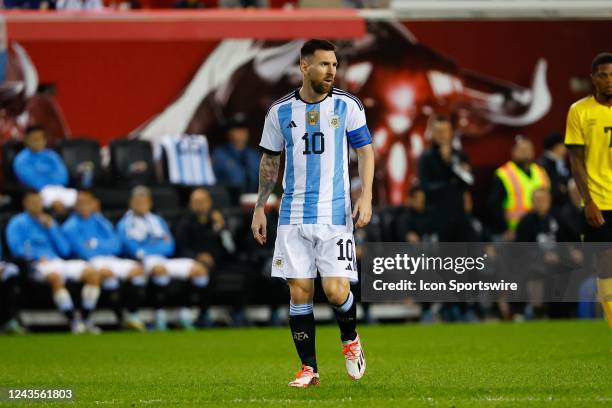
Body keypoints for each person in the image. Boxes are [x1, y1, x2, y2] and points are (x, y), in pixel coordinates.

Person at [251, 39, 374, 387]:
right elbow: (270, 160)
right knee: (299, 292)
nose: (331, 71)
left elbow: (365, 151)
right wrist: (260, 208)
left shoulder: (348, 106)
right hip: (292, 216)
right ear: (304, 67)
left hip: (334, 215)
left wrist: (366, 196)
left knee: (336, 291)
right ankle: (309, 369)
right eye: (324, 64)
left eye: (334, 65)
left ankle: (350, 341)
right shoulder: (279, 111)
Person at [6, 190, 101, 334]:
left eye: (39, 202)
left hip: (58, 261)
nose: (37, 205)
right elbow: (16, 249)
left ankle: (86, 318)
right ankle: (73, 320)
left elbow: (64, 250)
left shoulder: (49, 221)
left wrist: (51, 228)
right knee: (55, 277)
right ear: (25, 203)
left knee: (93, 273)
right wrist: (35, 256)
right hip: (36, 264)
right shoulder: (16, 223)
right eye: (33, 202)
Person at [116, 186, 208, 331]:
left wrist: (149, 248)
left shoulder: (157, 220)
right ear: (131, 203)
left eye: (144, 201)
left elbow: (169, 245)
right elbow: (131, 248)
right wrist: (152, 249)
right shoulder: (125, 223)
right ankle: (159, 316)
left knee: (199, 270)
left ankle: (185, 314)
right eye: (137, 202)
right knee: (160, 270)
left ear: (150, 203)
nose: (141, 205)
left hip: (163, 258)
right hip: (142, 261)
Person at [565, 52, 612, 328]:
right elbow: (576, 162)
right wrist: (589, 202)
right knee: (605, 263)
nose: (609, 80)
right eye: (603, 75)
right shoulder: (579, 111)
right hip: (600, 201)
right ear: (593, 79)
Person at [62, 190, 147, 331]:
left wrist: (95, 244)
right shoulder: (70, 226)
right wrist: (100, 245)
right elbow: (82, 251)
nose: (84, 206)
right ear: (75, 205)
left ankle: (133, 315)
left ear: (93, 204)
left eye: (87, 202)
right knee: (107, 275)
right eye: (80, 203)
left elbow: (116, 245)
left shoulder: (101, 221)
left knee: (138, 270)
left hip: (111, 258)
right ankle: (115, 318)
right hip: (90, 261)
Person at [174, 188, 234, 326]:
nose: (199, 205)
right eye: (196, 202)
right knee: (195, 271)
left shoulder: (216, 222)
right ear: (190, 204)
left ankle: (210, 313)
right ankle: (189, 313)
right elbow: (180, 248)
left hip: (216, 261)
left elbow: (230, 248)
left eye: (202, 201)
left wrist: (222, 227)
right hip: (192, 261)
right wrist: (197, 257)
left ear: (209, 203)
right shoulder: (184, 223)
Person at [418, 114, 473, 242]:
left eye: (445, 131)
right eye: (438, 131)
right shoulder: (426, 158)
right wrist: (450, 184)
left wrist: (451, 164)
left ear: (451, 133)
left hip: (459, 216)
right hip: (437, 218)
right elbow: (426, 187)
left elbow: (469, 181)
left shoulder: (459, 155)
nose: (442, 135)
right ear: (432, 133)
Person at [488, 136, 550, 240]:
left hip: (540, 230)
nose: (526, 153)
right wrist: (504, 229)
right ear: (514, 152)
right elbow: (494, 206)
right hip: (515, 232)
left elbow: (549, 200)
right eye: (522, 150)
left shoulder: (541, 172)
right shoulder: (504, 174)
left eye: (528, 149)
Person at [12, 126, 76, 215]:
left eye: (40, 138)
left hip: (60, 188)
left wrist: (53, 184)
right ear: (26, 140)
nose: (37, 142)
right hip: (38, 192)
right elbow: (33, 181)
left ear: (45, 140)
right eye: (34, 139)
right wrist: (50, 180)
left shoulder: (52, 155)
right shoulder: (21, 160)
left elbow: (63, 177)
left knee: (85, 201)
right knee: (57, 205)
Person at [212, 114, 260, 196]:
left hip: (252, 201)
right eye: (237, 129)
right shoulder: (219, 154)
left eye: (244, 129)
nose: (241, 133)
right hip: (228, 202)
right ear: (229, 132)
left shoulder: (254, 155)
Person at [538, 132, 570, 213]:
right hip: (553, 208)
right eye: (563, 145)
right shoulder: (543, 165)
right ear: (557, 146)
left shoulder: (561, 162)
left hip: (562, 206)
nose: (566, 148)